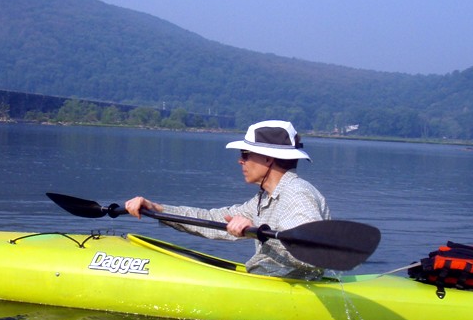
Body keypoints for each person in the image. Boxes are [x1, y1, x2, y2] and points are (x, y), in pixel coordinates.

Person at [126, 120, 330, 279]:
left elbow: (313, 257)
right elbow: (213, 220)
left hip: (291, 290)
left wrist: (257, 232)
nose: (240, 160)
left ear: (268, 158)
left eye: (245, 154)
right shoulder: (264, 197)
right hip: (268, 282)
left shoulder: (297, 194)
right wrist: (157, 210)